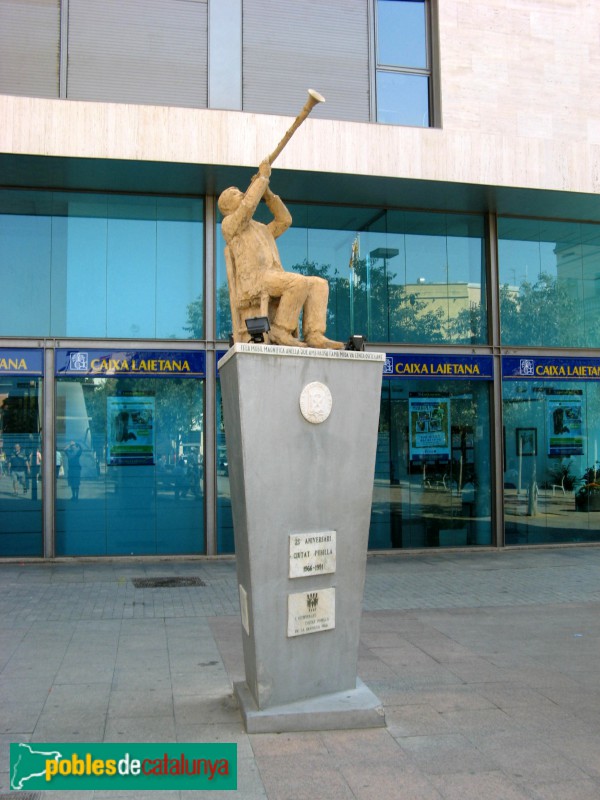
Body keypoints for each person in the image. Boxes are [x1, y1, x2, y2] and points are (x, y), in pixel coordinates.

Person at [218, 160, 343, 349]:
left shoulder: (260, 228)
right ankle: (280, 330)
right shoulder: (230, 225)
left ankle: (314, 333)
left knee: (319, 284)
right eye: (235, 194)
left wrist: (268, 194)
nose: (242, 194)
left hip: (273, 277)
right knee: (298, 282)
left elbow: (285, 220)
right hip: (255, 281)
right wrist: (262, 179)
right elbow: (247, 208)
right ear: (227, 207)